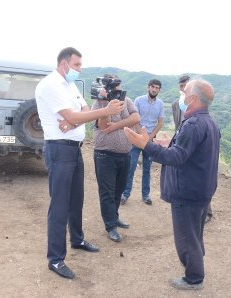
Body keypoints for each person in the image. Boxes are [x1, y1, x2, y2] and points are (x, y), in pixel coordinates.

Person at [35, 47, 124, 279]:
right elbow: (77, 116)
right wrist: (100, 111)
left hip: (74, 149)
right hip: (58, 149)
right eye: (77, 65)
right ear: (64, 64)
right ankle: (55, 259)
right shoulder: (50, 85)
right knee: (60, 206)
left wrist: (73, 122)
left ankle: (77, 239)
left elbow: (82, 112)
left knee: (76, 199)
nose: (79, 69)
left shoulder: (70, 85)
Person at [124, 79, 220, 290]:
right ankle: (196, 263)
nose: (182, 96)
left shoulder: (194, 124)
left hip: (187, 191)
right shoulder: (209, 122)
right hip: (201, 189)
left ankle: (194, 278)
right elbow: (192, 152)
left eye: (185, 92)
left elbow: (175, 158)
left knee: (187, 237)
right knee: (195, 232)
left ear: (193, 98)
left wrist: (145, 145)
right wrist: (168, 143)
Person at [92, 74, 140, 242]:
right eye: (116, 91)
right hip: (104, 155)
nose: (118, 94)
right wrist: (106, 105)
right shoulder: (99, 103)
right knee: (107, 192)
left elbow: (136, 117)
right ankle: (110, 226)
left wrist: (118, 125)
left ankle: (115, 216)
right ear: (107, 90)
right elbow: (104, 127)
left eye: (120, 90)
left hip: (124, 154)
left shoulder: (126, 100)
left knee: (118, 190)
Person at [172, 74, 214, 223]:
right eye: (181, 86)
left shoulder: (200, 117)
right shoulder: (176, 104)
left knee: (198, 178)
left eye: (186, 86)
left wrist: (148, 146)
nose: (183, 89)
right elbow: (178, 125)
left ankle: (206, 212)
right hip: (183, 141)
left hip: (195, 145)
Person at [121, 79, 164, 205]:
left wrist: (150, 137)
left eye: (157, 87)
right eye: (152, 87)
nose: (154, 89)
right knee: (131, 166)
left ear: (159, 90)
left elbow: (160, 123)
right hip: (136, 138)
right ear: (148, 87)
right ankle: (125, 193)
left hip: (150, 140)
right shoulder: (139, 100)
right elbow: (134, 119)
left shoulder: (160, 104)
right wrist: (141, 134)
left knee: (147, 168)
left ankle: (146, 195)